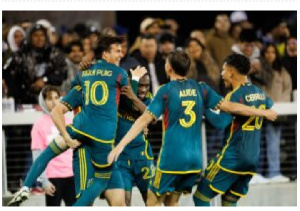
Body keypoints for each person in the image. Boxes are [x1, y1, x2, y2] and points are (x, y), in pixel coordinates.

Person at [108, 51, 277, 206]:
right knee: (172, 202)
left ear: (168, 68)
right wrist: (262, 112)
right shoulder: (201, 88)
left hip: (172, 159)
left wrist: (120, 145)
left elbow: (144, 119)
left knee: (152, 200)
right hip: (195, 162)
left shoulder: (165, 90)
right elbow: (233, 107)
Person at [192, 54, 275, 206]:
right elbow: (270, 105)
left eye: (223, 70)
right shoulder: (260, 92)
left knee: (200, 196)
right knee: (229, 201)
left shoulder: (234, 96)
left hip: (232, 157)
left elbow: (220, 123)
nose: (221, 74)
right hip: (251, 160)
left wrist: (204, 108)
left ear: (231, 72)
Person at [252, 43, 291, 183]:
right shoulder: (257, 69)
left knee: (273, 143)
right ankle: (255, 174)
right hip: (259, 112)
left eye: (273, 52)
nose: (270, 55)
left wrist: (279, 108)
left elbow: (287, 90)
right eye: (267, 52)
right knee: (256, 145)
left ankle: (274, 173)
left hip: (276, 114)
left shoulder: (282, 71)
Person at [31, 86, 76, 206]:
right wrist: (44, 181)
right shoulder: (39, 125)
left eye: (57, 97)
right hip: (52, 178)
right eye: (49, 98)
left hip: (72, 176)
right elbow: (37, 156)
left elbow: (76, 149)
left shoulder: (68, 120)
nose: (54, 102)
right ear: (43, 101)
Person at [3, 24, 68, 104]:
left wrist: (45, 80)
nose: (39, 38)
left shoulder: (55, 53)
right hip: (25, 101)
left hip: (52, 99)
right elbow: (11, 76)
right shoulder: (21, 55)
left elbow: (62, 72)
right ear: (29, 37)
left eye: (42, 35)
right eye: (35, 35)